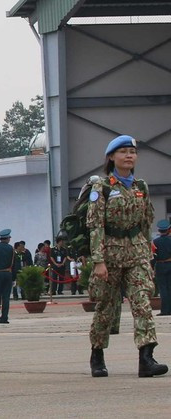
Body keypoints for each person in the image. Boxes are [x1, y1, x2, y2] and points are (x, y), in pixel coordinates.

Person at [87, 134, 167, 378]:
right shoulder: (103, 187)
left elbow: (145, 222)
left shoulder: (140, 186)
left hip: (137, 254)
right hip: (109, 256)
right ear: (111, 157)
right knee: (106, 308)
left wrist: (147, 254)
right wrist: (98, 260)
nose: (129, 156)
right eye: (123, 152)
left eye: (132, 152)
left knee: (142, 304)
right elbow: (96, 225)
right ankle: (97, 355)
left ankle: (146, 357)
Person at [153, 220, 171, 316]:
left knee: (163, 289)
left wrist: (152, 268)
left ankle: (164, 310)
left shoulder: (155, 242)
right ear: (169, 230)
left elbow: (153, 257)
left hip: (160, 265)